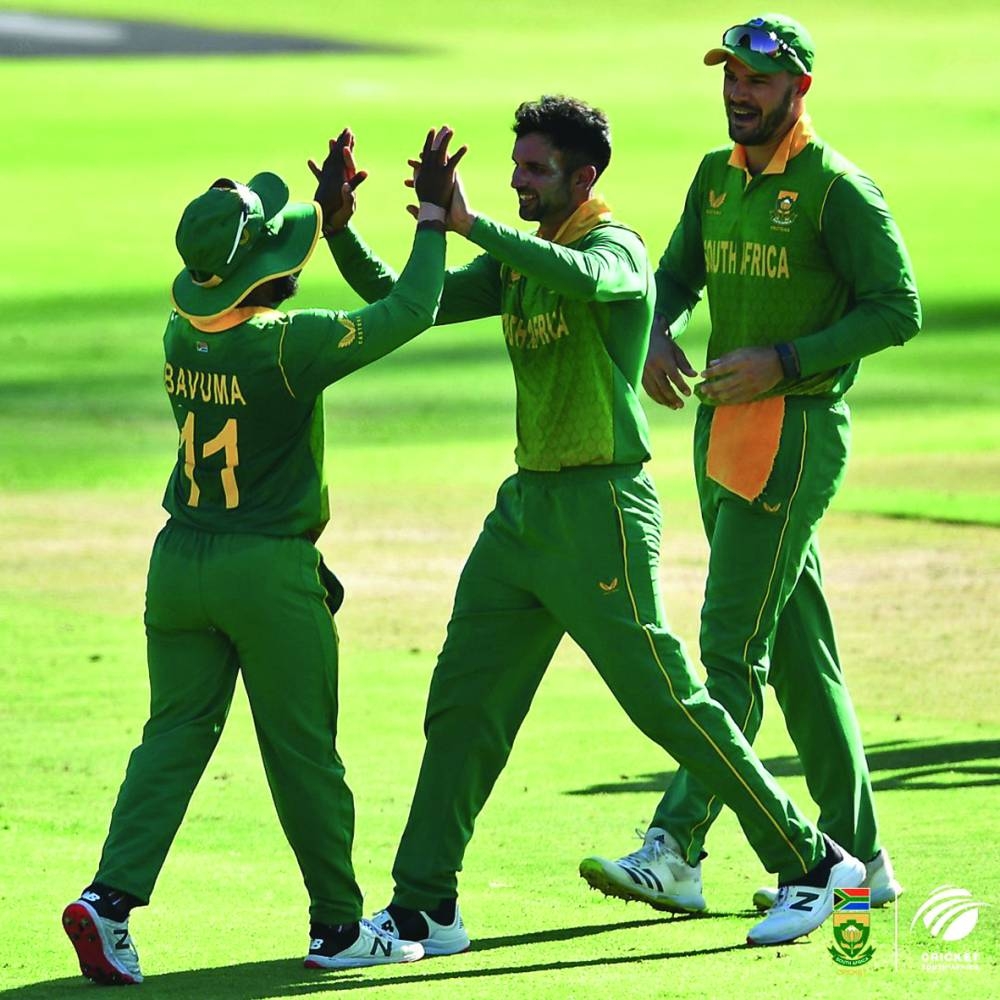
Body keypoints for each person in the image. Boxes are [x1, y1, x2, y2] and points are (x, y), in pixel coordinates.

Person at [325, 95, 865, 952]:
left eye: (535, 170)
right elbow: (408, 301)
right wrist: (342, 229)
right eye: (516, 168)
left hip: (601, 510)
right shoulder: (522, 255)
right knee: (462, 705)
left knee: (670, 703)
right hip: (525, 513)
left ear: (585, 177)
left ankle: (814, 863)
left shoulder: (616, 247)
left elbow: (590, 282)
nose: (517, 181)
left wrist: (473, 223)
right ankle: (426, 903)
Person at [60, 126, 465, 985]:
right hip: (268, 574)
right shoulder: (291, 343)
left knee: (170, 736)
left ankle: (108, 903)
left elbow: (250, 283)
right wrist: (430, 217)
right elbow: (411, 310)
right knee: (303, 752)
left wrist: (321, 220)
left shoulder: (183, 336)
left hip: (179, 564)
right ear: (265, 274)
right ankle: (339, 927)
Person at [581, 15, 920, 915]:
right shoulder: (716, 178)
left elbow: (898, 308)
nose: (738, 93)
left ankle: (677, 848)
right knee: (800, 656)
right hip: (723, 437)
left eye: (757, 82)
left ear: (798, 89)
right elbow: (674, 280)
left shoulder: (837, 191)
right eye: (729, 77)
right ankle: (864, 856)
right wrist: (658, 330)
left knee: (729, 650)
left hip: (796, 433)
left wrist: (786, 360)